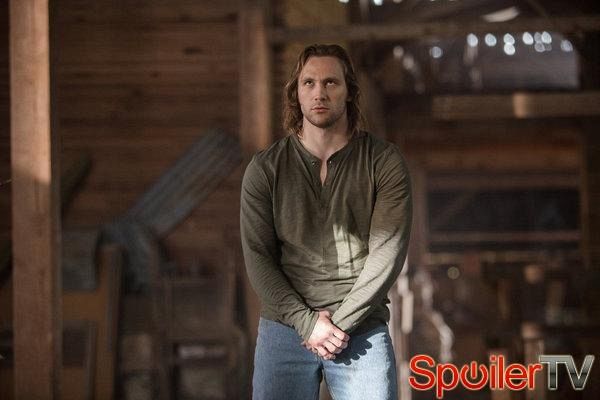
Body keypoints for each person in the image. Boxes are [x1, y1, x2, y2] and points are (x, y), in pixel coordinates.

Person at [240, 43, 412, 400]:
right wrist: (306, 323)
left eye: (331, 82)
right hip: (285, 326)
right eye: (309, 83)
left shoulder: (383, 161)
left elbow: (387, 254)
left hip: (361, 326)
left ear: (349, 91)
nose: (319, 92)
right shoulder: (265, 168)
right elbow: (258, 257)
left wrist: (338, 326)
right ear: (296, 93)